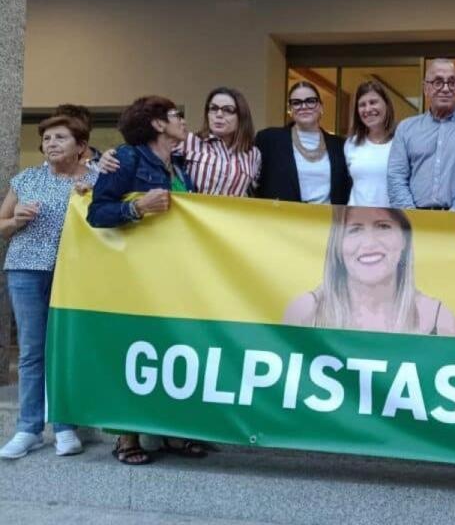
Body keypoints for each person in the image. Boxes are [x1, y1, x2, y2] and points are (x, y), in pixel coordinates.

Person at [87, 96, 201, 465]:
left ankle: (170, 432)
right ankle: (126, 435)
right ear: (157, 124)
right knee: (133, 348)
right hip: (136, 275)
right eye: (176, 116)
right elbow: (97, 212)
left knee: (170, 349)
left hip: (174, 273)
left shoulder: (180, 167)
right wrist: (137, 208)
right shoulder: (127, 158)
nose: (183, 121)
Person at [0, 114, 97, 460]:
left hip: (74, 273)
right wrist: (15, 219)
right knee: (31, 350)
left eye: (61, 137)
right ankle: (28, 428)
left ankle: (64, 424)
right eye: (47, 138)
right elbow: (1, 224)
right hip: (25, 269)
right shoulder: (26, 179)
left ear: (81, 147)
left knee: (66, 348)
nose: (51, 143)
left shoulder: (96, 179)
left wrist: (93, 198)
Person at [284, 206, 455, 334]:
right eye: (354, 230)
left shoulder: (438, 319)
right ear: (337, 245)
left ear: (404, 239)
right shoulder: (306, 312)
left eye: (383, 226)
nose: (369, 243)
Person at [100, 87, 261, 198]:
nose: (219, 114)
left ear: (241, 117)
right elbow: (145, 151)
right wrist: (106, 158)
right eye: (213, 108)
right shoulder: (188, 141)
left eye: (227, 110)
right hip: (190, 226)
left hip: (227, 232)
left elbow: (254, 194)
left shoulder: (253, 154)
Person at [387, 58, 455, 211]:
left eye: (452, 82)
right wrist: (412, 218)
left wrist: (451, 219)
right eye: (438, 82)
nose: (446, 88)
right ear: (426, 88)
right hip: (414, 222)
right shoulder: (406, 128)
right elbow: (396, 177)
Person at [255, 81, 352, 204]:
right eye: (296, 103)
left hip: (328, 220)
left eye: (310, 101)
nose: (304, 106)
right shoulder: (268, 140)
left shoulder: (340, 146)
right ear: (290, 109)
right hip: (283, 220)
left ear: (321, 107)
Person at [344, 81, 396, 207]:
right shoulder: (351, 144)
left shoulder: (400, 142)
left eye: (373, 102)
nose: (367, 109)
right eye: (362, 105)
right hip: (357, 221)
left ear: (386, 105)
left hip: (391, 222)